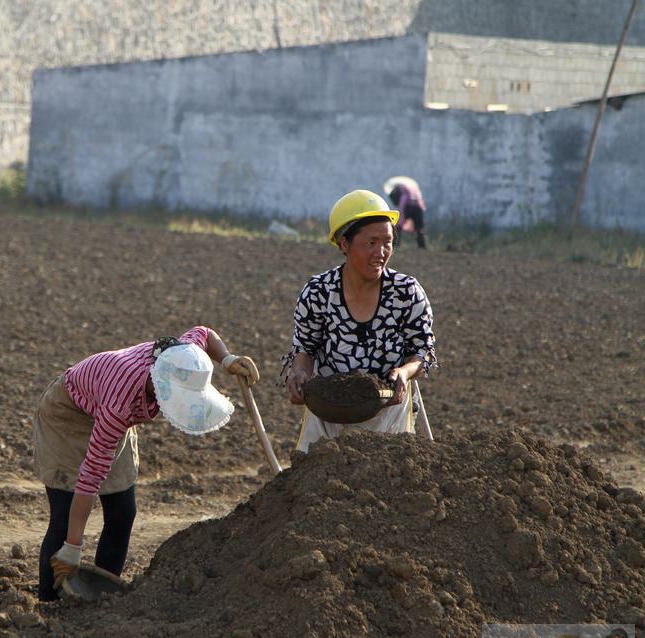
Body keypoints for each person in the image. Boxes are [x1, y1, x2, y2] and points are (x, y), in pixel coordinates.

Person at [34, 326, 259, 601]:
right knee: (64, 514)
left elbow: (204, 332)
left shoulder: (184, 356)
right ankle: (48, 603)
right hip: (68, 414)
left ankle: (102, 595)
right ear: (161, 385)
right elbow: (91, 476)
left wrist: (227, 359)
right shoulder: (120, 404)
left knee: (122, 512)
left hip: (106, 407)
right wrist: (72, 547)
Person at [283, 189, 436, 454]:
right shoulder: (319, 292)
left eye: (387, 242)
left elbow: (421, 351)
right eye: (370, 243)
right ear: (344, 244)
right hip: (329, 415)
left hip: (389, 412)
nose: (381, 251)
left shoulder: (406, 292)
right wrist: (300, 374)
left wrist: (405, 372)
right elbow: (305, 347)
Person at [384, 176, 427, 249]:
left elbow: (395, 199)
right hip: (418, 207)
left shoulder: (397, 188)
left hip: (406, 206)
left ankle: (395, 244)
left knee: (398, 225)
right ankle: (422, 246)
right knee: (419, 228)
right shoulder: (414, 189)